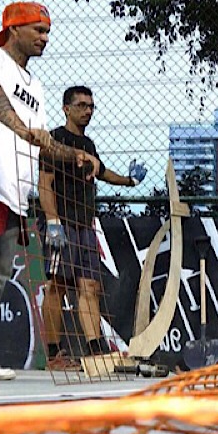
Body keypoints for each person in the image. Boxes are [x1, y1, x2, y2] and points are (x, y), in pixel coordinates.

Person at [0, 1, 99, 382]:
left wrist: (73, 153)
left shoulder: (35, 86)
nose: (45, 38)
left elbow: (41, 138)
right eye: (38, 30)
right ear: (15, 28)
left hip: (13, 193)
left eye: (47, 31)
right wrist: (18, 126)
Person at [38, 86, 146, 368]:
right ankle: (53, 355)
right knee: (57, 286)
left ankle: (96, 351)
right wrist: (52, 221)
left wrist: (129, 181)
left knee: (90, 286)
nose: (88, 111)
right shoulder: (54, 140)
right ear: (66, 108)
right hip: (62, 223)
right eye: (82, 105)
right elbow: (44, 184)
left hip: (85, 224)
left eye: (91, 106)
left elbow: (102, 172)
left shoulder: (88, 146)